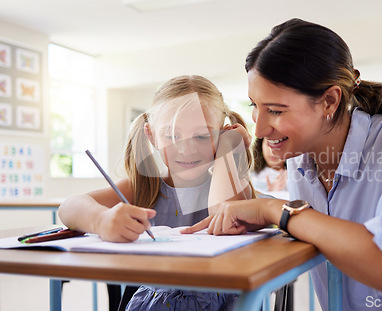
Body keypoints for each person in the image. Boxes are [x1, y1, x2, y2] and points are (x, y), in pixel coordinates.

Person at [182, 19, 382, 310]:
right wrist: (228, 152)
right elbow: (225, 221)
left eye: (275, 110)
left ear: (330, 101)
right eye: (255, 106)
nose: (260, 129)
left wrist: (277, 210)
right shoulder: (302, 157)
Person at [58, 75, 254, 311]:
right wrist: (101, 220)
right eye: (172, 136)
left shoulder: (236, 187)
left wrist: (228, 149)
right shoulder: (141, 188)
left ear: (221, 134)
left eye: (202, 136)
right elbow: (69, 207)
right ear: (151, 136)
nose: (186, 148)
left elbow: (225, 213)